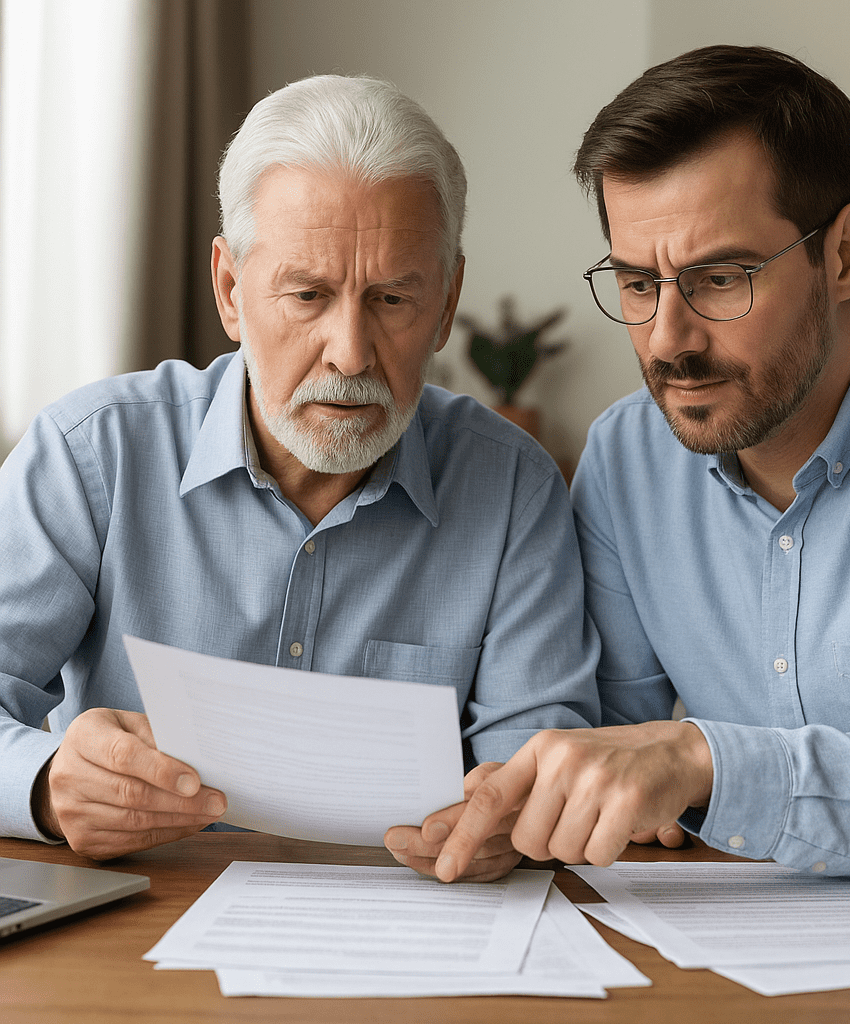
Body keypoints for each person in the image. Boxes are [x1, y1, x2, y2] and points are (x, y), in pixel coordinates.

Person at [432, 44, 850, 883]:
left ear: (845, 255)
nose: (668, 340)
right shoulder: (627, 457)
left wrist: (704, 760)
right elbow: (610, 751)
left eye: (719, 278)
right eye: (638, 285)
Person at [0, 75, 599, 872]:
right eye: (308, 295)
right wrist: (43, 784)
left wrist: (512, 825)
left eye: (392, 299)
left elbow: (534, 762)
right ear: (230, 290)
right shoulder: (92, 454)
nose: (350, 353)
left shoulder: (515, 485)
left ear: (448, 299)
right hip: (137, 924)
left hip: (417, 938)